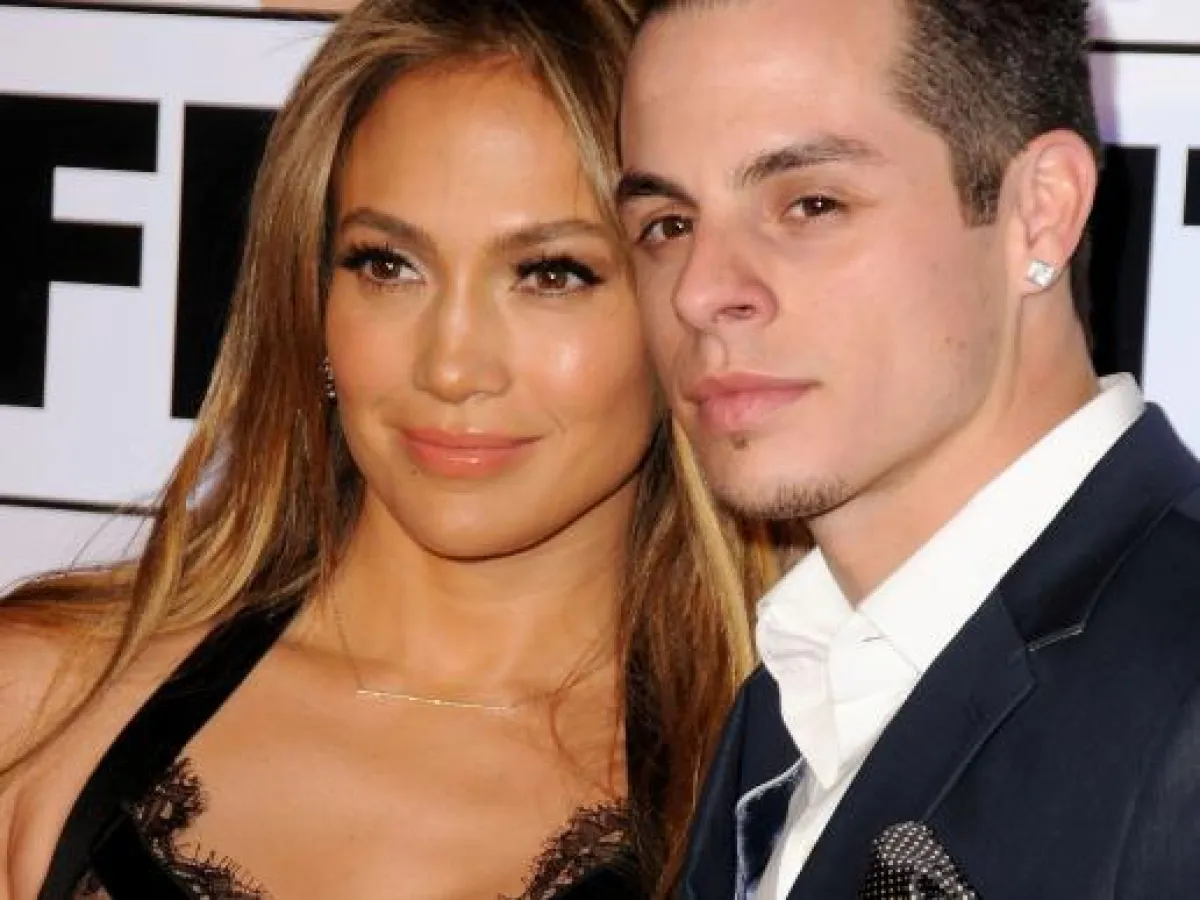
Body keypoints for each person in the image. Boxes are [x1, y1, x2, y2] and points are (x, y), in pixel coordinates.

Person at [0, 1, 779, 897]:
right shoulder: (43, 705)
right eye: (388, 265)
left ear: (680, 305)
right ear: (312, 296)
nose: (451, 366)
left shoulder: (780, 790)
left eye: (550, 274)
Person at [617, 0, 1200, 897]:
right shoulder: (795, 688)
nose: (698, 292)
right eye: (668, 223)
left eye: (811, 204)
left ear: (1040, 212)